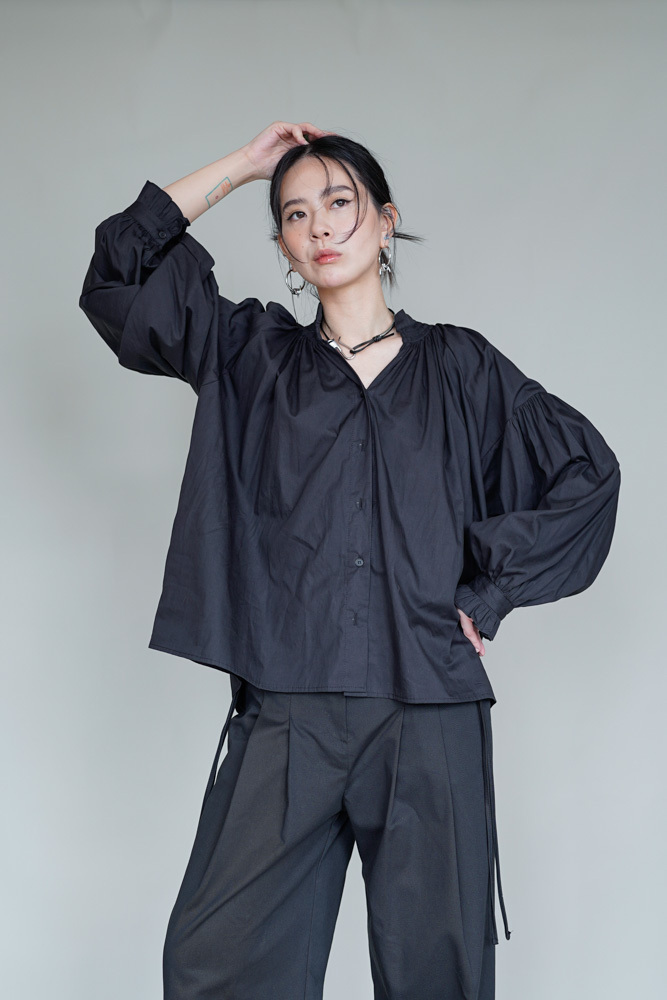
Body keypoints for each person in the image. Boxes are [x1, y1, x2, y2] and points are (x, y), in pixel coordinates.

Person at [79, 120, 621, 1000]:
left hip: (429, 709)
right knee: (215, 964)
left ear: (384, 221)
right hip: (288, 707)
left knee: (437, 976)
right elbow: (118, 270)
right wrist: (244, 166)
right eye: (295, 214)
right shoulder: (249, 355)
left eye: (339, 202)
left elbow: (587, 475)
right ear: (284, 246)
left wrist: (490, 593)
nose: (320, 225)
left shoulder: (461, 368)